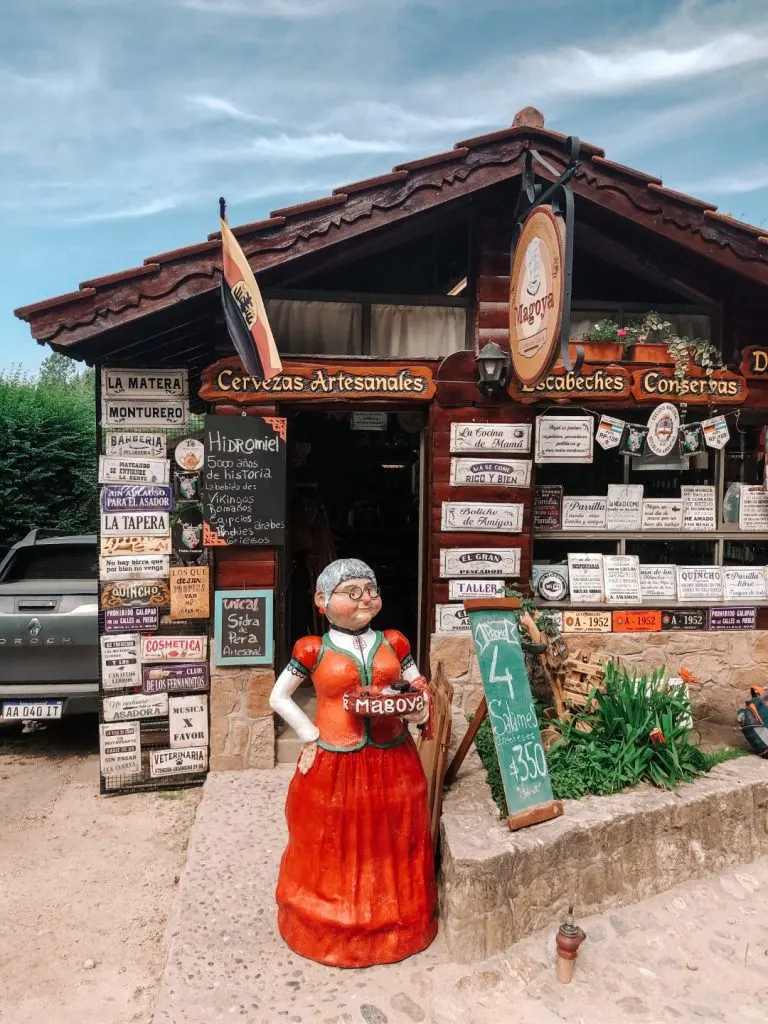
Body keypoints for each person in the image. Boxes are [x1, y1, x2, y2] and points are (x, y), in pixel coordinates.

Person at [269, 557, 438, 968]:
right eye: (353, 592)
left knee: (391, 836)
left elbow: (418, 687)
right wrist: (310, 735)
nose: (366, 599)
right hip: (335, 761)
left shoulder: (395, 643)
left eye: (372, 590)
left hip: (391, 757)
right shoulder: (311, 650)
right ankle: (331, 923)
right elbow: (279, 697)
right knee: (333, 837)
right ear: (322, 600)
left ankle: (398, 921)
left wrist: (417, 710)